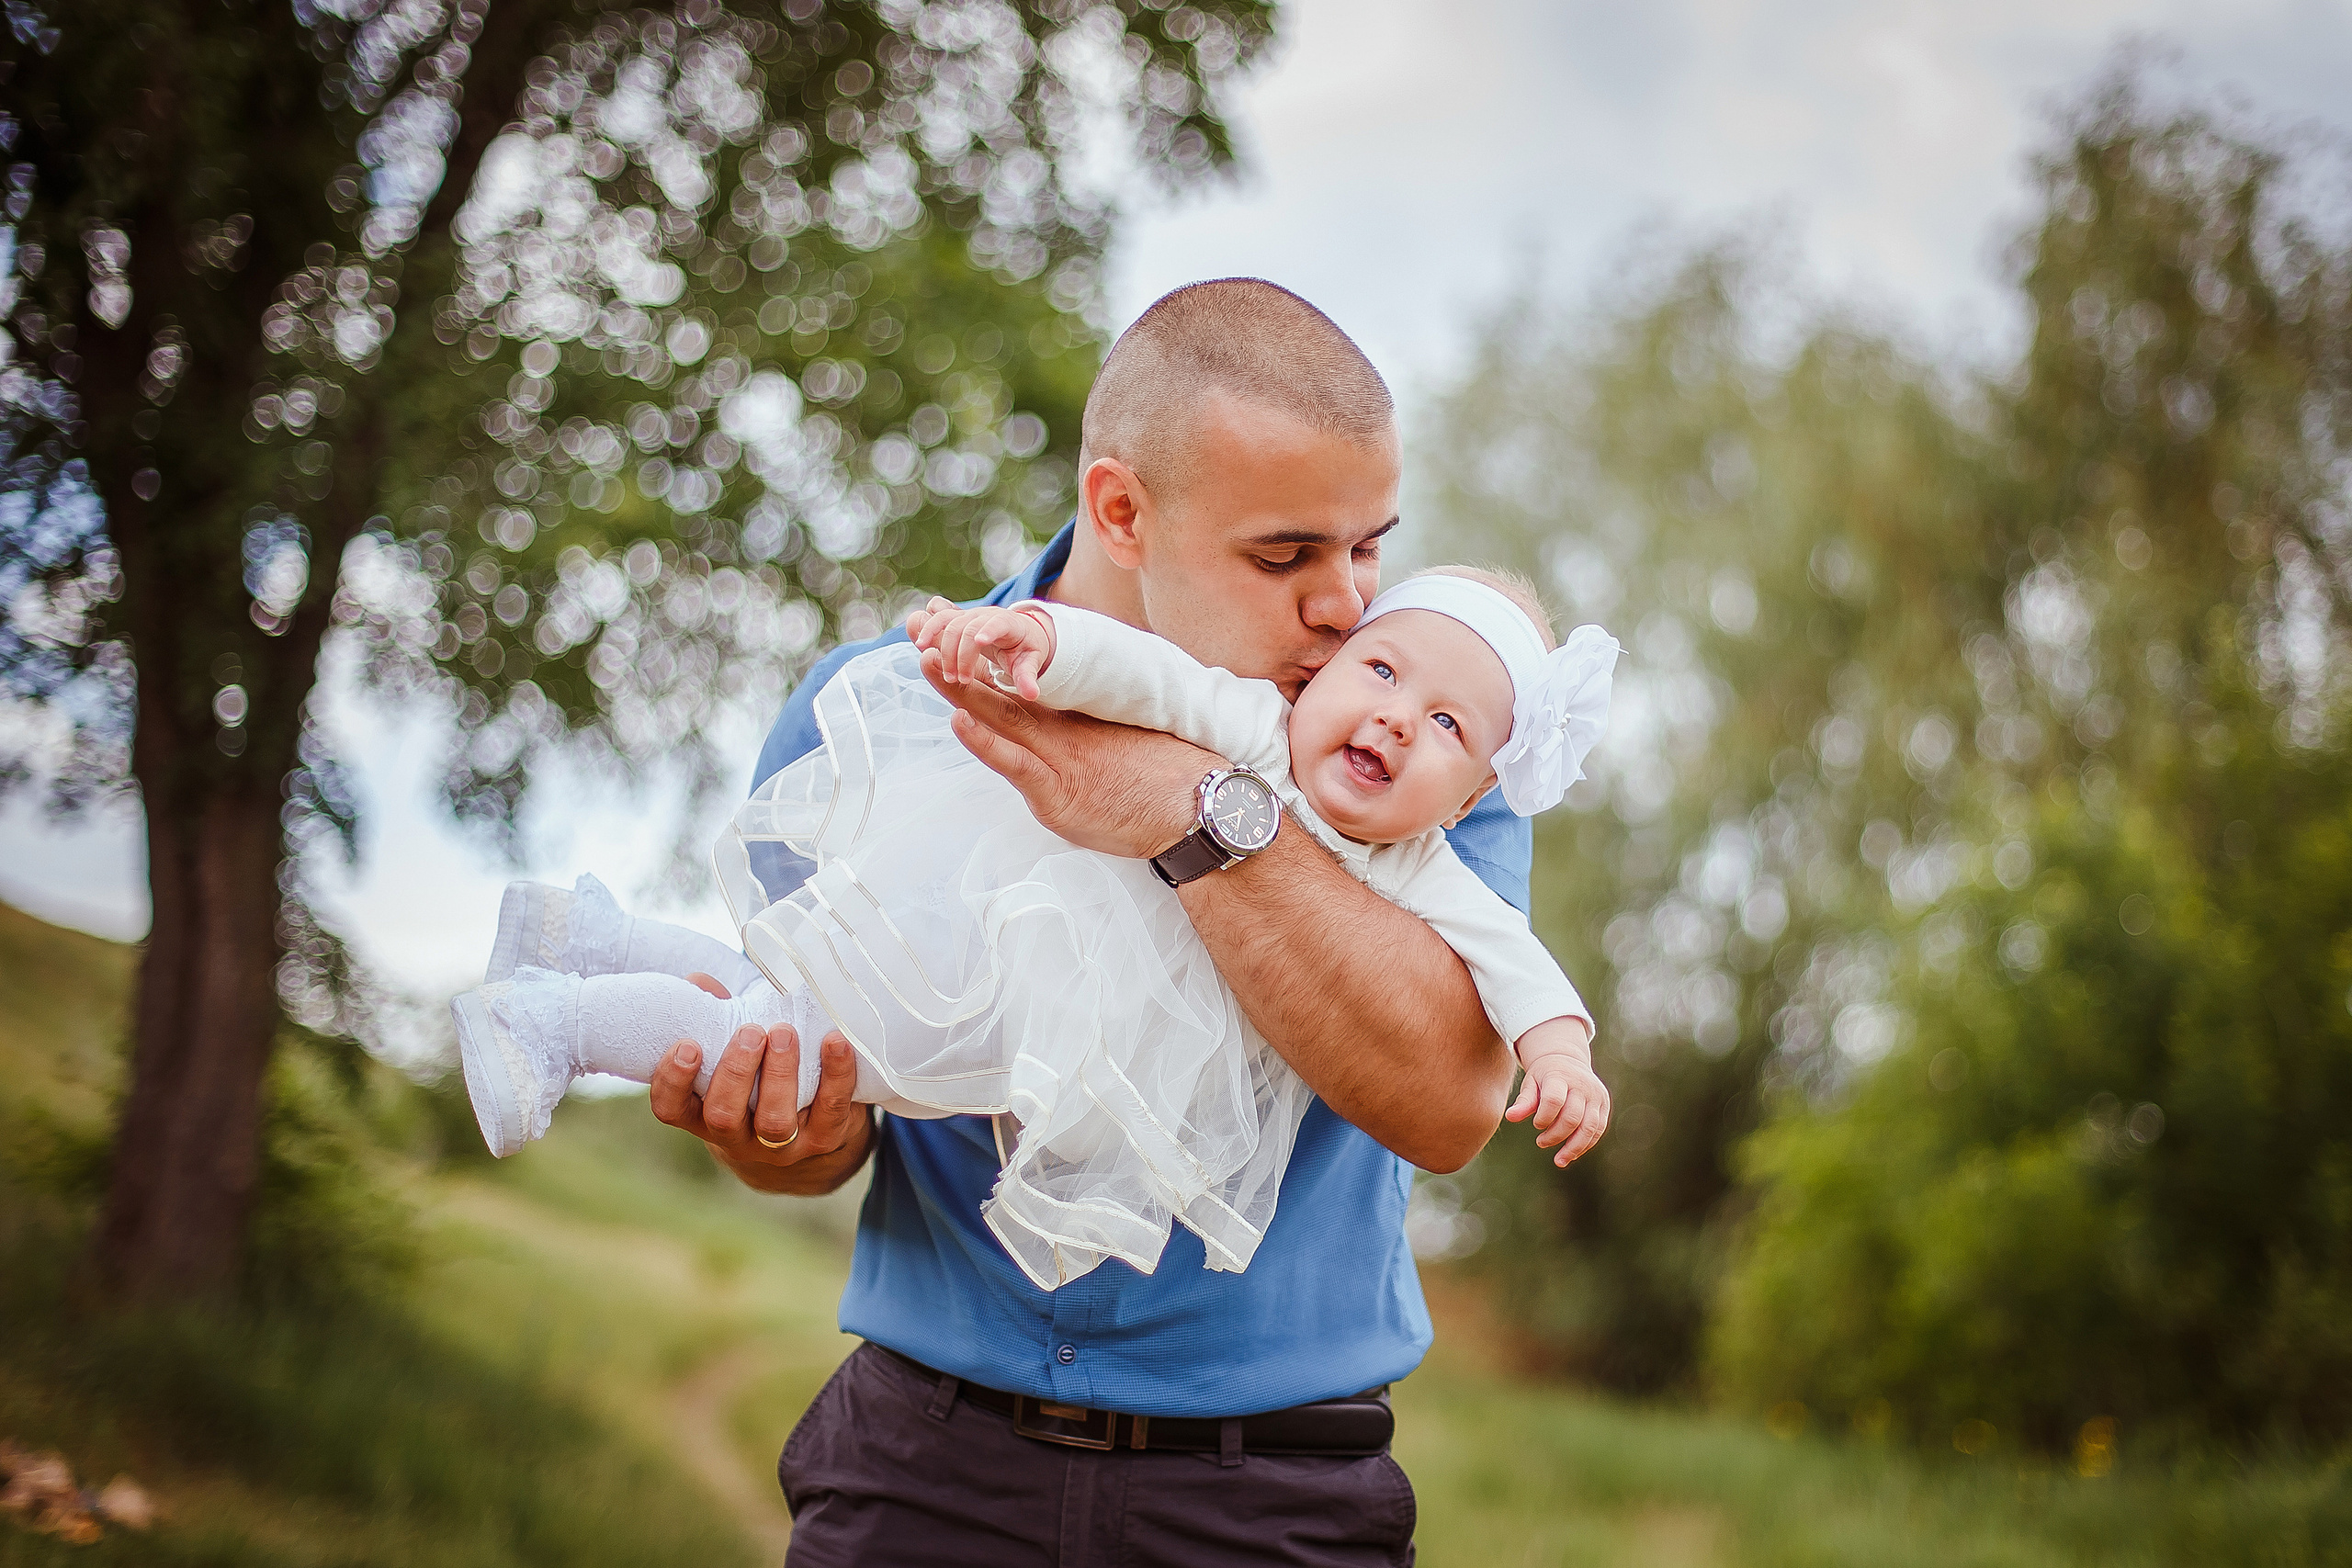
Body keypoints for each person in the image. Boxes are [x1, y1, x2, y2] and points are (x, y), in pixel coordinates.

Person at [650, 279, 1566, 1566]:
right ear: (1123, 509)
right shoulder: (871, 719)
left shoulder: (1424, 739)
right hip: (919, 1470)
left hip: (1272, 1505)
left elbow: (1449, 1099)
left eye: (1369, 544)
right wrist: (780, 1136)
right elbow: (821, 1144)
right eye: (1287, 553)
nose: (1349, 605)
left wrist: (1193, 809)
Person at [443, 567, 1615, 1292]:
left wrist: (1559, 1053)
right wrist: (1037, 648)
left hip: (1258, 1460)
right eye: (1382, 671)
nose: (1398, 721)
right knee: (784, 1026)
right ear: (1329, 673)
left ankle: (585, 937)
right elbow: (1147, 678)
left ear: (1471, 798)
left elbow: (1518, 970)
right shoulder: (1255, 720)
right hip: (973, 983)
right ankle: (564, 1020)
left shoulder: (1428, 864)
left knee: (781, 1017)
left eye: (1449, 726)